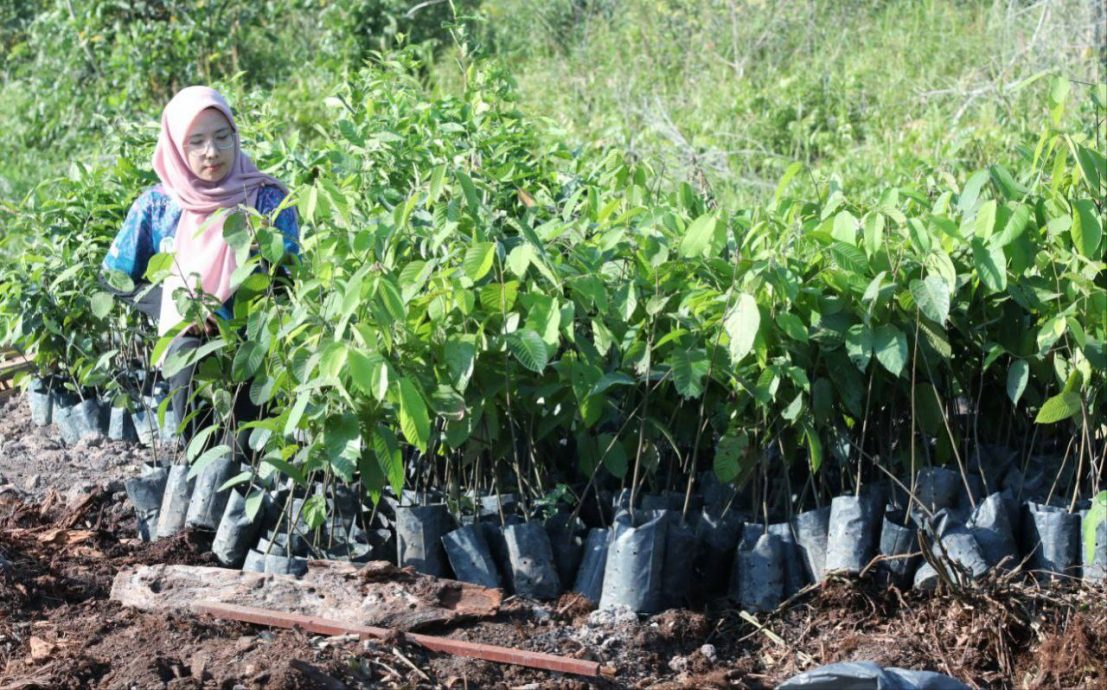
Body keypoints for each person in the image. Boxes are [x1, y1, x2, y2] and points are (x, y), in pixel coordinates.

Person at [101, 86, 298, 447]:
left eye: (222, 137)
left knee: (250, 442)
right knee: (192, 404)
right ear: (177, 146)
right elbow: (115, 277)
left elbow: (289, 277)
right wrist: (179, 308)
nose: (212, 152)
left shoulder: (267, 199)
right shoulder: (157, 207)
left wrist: (243, 310)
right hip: (190, 337)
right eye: (197, 142)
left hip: (254, 335)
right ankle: (198, 467)